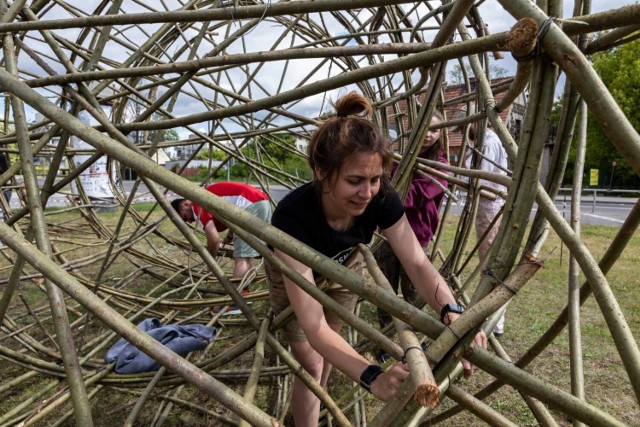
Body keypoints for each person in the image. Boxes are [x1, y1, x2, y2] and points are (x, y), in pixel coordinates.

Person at [265, 92, 487, 426]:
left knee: (328, 358)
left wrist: (452, 311)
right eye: (354, 181)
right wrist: (373, 377)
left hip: (344, 266)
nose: (367, 193)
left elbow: (416, 262)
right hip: (292, 275)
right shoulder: (292, 218)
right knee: (311, 362)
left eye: (374, 179)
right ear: (323, 172)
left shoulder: (381, 197)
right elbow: (313, 325)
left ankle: (316, 405)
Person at [376, 109, 449, 359]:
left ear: (441, 134)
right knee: (385, 292)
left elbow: (411, 197)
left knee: (414, 295)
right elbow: (385, 182)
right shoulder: (400, 159)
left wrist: (384, 200)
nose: (428, 134)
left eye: (435, 130)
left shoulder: (440, 166)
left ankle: (414, 344)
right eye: (425, 128)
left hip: (416, 238)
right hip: (387, 235)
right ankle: (385, 343)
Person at [171, 182, 272, 281]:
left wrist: (210, 263)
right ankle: (245, 290)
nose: (189, 221)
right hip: (261, 202)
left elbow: (214, 240)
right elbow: (233, 216)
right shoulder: (204, 197)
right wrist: (229, 237)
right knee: (248, 254)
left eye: (184, 217)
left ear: (185, 204)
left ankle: (238, 292)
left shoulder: (197, 205)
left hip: (250, 204)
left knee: (242, 257)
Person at [465, 121, 509, 336]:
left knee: (490, 263)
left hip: (489, 205)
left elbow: (477, 177)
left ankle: (495, 321)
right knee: (488, 260)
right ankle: (494, 317)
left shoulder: (489, 143)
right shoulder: (485, 142)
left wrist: (464, 176)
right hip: (487, 205)